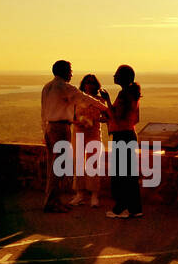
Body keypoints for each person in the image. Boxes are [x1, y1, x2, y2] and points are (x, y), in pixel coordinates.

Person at [41, 60, 108, 213]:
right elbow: (85, 98)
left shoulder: (47, 87)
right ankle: (52, 203)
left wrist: (44, 130)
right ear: (64, 71)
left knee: (53, 166)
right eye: (70, 70)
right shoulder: (64, 87)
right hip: (60, 128)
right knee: (59, 167)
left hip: (50, 127)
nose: (71, 73)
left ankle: (52, 200)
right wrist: (105, 108)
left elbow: (43, 112)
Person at [105, 64, 143, 219]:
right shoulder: (134, 94)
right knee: (130, 174)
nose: (114, 75)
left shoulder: (123, 94)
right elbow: (135, 118)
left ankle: (121, 208)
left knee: (120, 175)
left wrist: (107, 101)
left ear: (123, 77)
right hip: (130, 134)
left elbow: (117, 117)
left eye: (117, 74)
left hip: (122, 136)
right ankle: (135, 208)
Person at [69, 74, 110, 207]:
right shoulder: (77, 99)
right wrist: (79, 122)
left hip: (94, 133)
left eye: (92, 83)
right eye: (88, 82)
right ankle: (80, 194)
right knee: (79, 163)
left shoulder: (99, 100)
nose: (90, 85)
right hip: (79, 132)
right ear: (83, 84)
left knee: (93, 163)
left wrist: (96, 120)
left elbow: (107, 117)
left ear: (96, 85)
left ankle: (94, 195)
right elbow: (70, 116)